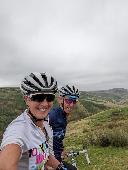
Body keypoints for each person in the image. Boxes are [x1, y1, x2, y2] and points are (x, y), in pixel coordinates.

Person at [0, 72, 66, 170]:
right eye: (38, 97)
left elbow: (43, 154)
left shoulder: (45, 123)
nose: (45, 104)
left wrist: (59, 167)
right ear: (27, 99)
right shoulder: (18, 130)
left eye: (49, 97)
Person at [49, 85, 80, 170]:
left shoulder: (64, 116)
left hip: (58, 158)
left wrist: (61, 149)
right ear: (60, 99)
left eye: (74, 101)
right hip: (49, 161)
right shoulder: (52, 116)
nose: (72, 104)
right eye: (69, 100)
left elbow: (58, 137)